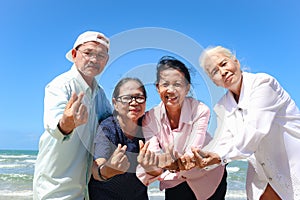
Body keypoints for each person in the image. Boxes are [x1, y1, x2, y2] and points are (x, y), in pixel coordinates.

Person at [195, 45, 300, 200]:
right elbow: (223, 140)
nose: (223, 72)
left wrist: (218, 156)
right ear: (214, 82)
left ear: (236, 62)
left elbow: (255, 130)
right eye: (215, 72)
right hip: (262, 175)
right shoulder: (221, 106)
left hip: (292, 166)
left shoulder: (263, 83)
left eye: (224, 64)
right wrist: (200, 158)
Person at [33, 31, 112, 200]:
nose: (94, 59)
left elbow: (111, 123)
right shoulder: (61, 85)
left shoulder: (100, 94)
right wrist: (66, 123)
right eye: (88, 53)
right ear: (75, 54)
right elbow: (54, 126)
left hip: (84, 190)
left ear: (106, 61)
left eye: (101, 55)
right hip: (55, 189)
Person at [137, 56, 227, 200]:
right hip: (176, 178)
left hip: (208, 175)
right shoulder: (149, 118)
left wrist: (169, 161)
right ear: (157, 88)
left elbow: (193, 150)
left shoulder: (200, 110)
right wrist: (159, 162)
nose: (171, 90)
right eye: (165, 84)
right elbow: (154, 153)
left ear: (187, 88)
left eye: (178, 84)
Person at [88, 77, 154, 200]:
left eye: (139, 97)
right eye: (127, 98)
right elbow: (96, 167)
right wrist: (109, 168)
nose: (134, 102)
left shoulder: (148, 126)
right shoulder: (108, 127)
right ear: (115, 103)